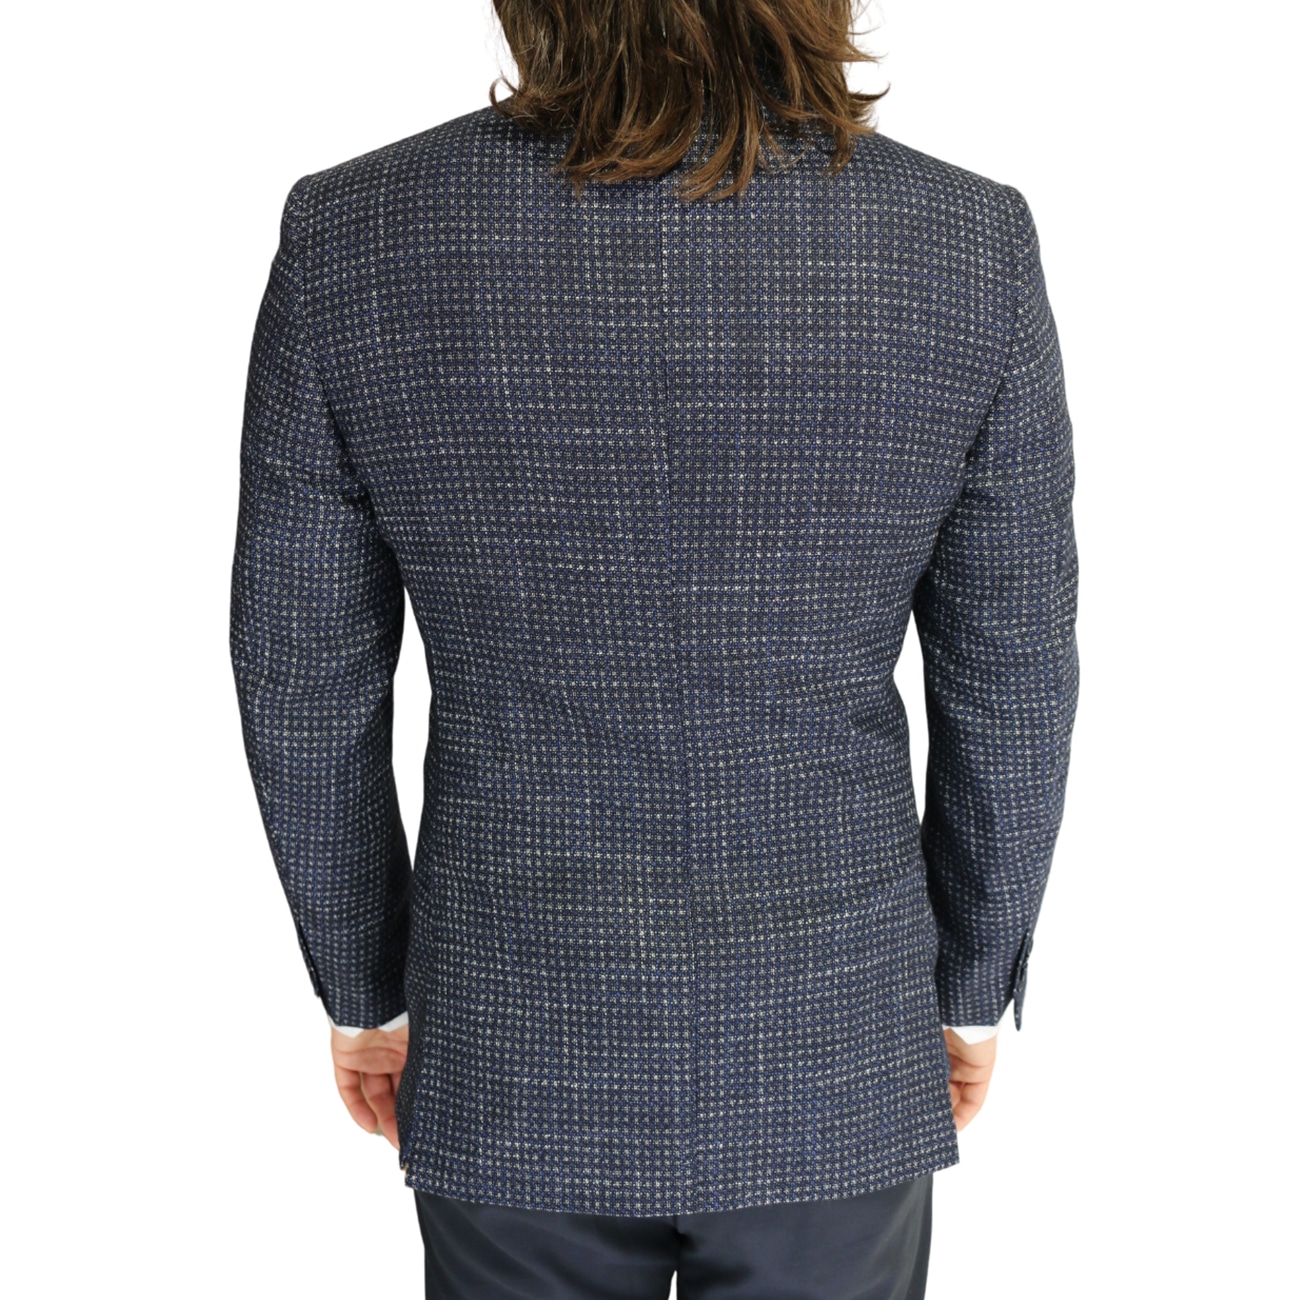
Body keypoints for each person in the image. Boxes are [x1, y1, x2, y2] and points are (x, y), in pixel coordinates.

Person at [228, 1, 1079, 1295]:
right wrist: (965, 986)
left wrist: (363, 987)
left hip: (509, 1044)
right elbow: (1013, 677)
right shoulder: (964, 243)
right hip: (835, 1044)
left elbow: (299, 677)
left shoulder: (357, 233)